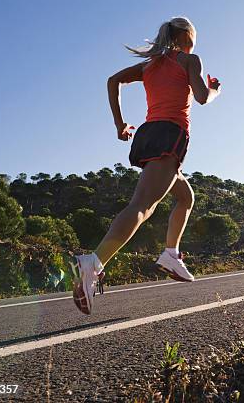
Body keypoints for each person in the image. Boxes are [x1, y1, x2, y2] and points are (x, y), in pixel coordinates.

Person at [70, 16, 221, 314]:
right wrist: (215, 88)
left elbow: (113, 81)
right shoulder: (189, 60)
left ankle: (170, 253)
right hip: (170, 134)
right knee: (142, 206)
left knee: (185, 196)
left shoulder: (150, 65)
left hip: (149, 134)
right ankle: (93, 262)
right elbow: (202, 98)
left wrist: (119, 126)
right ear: (187, 36)